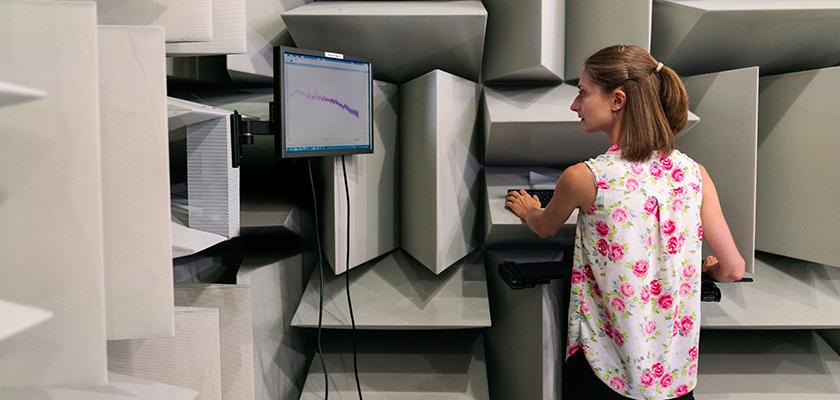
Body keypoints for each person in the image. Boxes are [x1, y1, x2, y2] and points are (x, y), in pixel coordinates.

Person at [505, 44, 745, 400]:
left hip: (604, 374)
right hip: (674, 381)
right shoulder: (695, 174)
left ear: (617, 100)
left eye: (583, 93)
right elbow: (734, 269)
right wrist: (707, 270)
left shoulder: (585, 178)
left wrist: (528, 210)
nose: (575, 105)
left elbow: (545, 226)